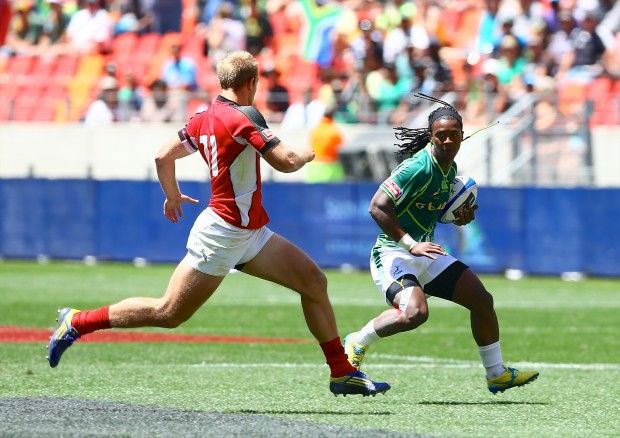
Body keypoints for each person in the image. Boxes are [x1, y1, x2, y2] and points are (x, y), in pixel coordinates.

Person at [47, 50, 390, 398]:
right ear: (251, 83)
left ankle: (340, 371)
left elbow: (162, 155)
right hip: (223, 233)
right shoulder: (244, 117)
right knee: (168, 312)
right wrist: (308, 151)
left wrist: (172, 195)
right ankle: (76, 321)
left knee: (314, 282)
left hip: (249, 231)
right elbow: (286, 162)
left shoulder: (204, 116)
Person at [343, 94, 539, 395]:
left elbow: (427, 208)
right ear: (431, 137)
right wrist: (410, 245)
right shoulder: (417, 167)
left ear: (462, 135)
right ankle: (359, 339)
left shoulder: (450, 168)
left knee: (482, 300)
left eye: (453, 135)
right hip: (393, 252)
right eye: (441, 136)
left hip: (425, 250)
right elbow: (377, 206)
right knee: (415, 314)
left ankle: (496, 374)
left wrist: (457, 217)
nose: (448, 141)